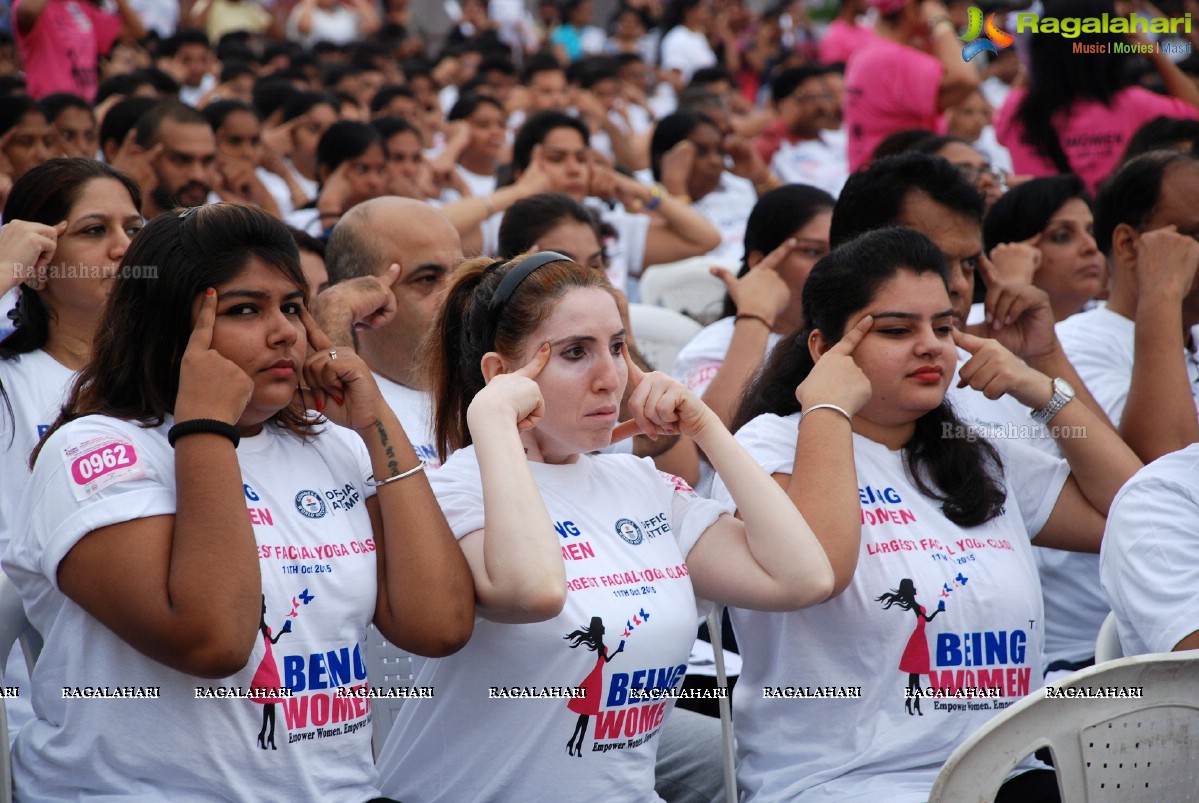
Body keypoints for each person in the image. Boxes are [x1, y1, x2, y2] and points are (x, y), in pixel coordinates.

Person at [4, 203, 474, 799]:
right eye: (244, 310)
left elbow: (438, 625)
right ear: (171, 328)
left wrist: (377, 422)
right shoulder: (94, 452)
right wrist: (204, 426)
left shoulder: (332, 445)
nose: (284, 332)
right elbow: (214, 639)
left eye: (293, 307)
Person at [376, 249, 859, 801]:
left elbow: (804, 579)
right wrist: (492, 421)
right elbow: (533, 591)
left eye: (618, 347)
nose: (610, 378)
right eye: (575, 353)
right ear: (501, 375)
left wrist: (705, 427)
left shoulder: (639, 482)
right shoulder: (456, 487)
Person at [717, 225, 1140, 801]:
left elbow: (1135, 512)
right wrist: (827, 406)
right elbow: (816, 569)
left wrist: (1042, 389)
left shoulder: (971, 452)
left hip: (1008, 774)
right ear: (822, 348)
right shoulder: (770, 445)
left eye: (943, 327)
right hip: (846, 784)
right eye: (896, 329)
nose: (932, 346)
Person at [0, 158, 141, 739]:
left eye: (135, 228)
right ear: (36, 263)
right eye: (93, 230)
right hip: (33, 703)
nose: (122, 248)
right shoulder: (10, 382)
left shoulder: (181, 384)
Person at [994, 0, 1199, 193]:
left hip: (1034, 226)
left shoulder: (1017, 108)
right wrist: (1156, 54)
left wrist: (1034, 57)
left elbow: (1001, 131)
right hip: (1110, 226)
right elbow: (1194, 113)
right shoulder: (1133, 105)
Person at [673, 184, 833, 427]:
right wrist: (755, 316)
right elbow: (710, 438)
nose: (830, 264)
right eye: (812, 251)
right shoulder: (715, 343)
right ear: (760, 262)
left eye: (838, 250)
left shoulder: (843, 336)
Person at [843, 0, 978, 170]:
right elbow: (965, 80)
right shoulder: (893, 58)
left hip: (877, 177)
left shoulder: (871, 52)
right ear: (912, 8)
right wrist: (940, 22)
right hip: (897, 181)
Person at [983, 176, 1102, 323]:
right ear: (1016, 251)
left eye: (1092, 233)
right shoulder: (969, 326)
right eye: (1062, 236)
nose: (1092, 246)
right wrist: (1013, 286)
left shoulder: (1121, 323)